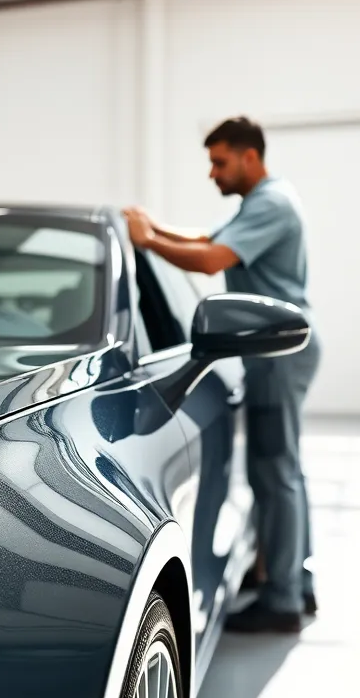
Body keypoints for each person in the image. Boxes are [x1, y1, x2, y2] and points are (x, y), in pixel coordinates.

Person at [123, 116, 321, 634]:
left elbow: (211, 259)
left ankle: (283, 601)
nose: (213, 173)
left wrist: (147, 241)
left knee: (273, 471)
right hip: (275, 344)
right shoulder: (261, 203)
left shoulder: (272, 203)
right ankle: (296, 583)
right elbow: (208, 237)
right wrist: (153, 229)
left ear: (249, 157)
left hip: (275, 346)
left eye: (220, 162)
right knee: (285, 469)